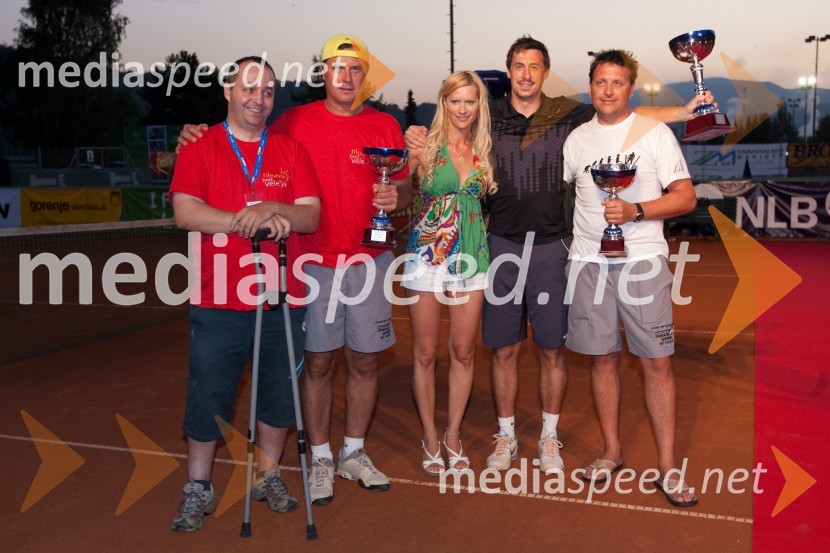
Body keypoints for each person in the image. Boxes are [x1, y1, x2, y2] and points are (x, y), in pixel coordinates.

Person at [407, 35, 714, 476]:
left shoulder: (569, 116)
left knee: (553, 349)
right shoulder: (487, 119)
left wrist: (684, 113)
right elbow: (450, 126)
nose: (526, 74)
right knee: (504, 349)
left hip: (554, 247)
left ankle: (549, 435)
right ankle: (507, 434)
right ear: (509, 70)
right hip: (499, 247)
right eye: (518, 66)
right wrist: (416, 133)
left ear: (545, 72)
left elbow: (626, 115)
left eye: (534, 66)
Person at [179, 34, 410, 505]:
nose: (346, 77)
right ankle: (321, 457)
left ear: (366, 77)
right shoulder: (290, 121)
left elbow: (405, 189)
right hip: (311, 263)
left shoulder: (386, 126)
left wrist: (396, 197)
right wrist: (194, 134)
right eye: (337, 68)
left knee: (365, 360)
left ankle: (354, 452)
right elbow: (246, 140)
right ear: (322, 72)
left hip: (370, 258)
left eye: (355, 69)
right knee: (319, 362)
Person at [169, 56, 321, 532]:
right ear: (228, 91)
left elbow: (310, 216)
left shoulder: (291, 151)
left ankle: (267, 476)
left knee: (278, 396)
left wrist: (276, 207)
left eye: (269, 90)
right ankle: (199, 485)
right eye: (250, 88)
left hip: (283, 297)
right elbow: (186, 213)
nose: (260, 99)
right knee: (209, 396)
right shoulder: (201, 146)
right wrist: (248, 220)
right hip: (218, 301)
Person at [562, 49, 698, 507]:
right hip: (588, 265)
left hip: (642, 262)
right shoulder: (576, 140)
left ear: (630, 89)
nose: (607, 90)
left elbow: (685, 198)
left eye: (617, 83)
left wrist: (637, 210)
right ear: (591, 86)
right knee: (601, 360)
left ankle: (667, 468)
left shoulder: (655, 134)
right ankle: (611, 452)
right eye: (600, 82)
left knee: (657, 363)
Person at [402, 71, 497, 475]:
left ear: (479, 106)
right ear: (443, 102)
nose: (462, 109)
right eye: (455, 101)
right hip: (427, 256)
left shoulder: (484, 149)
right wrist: (407, 161)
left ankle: (452, 433)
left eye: (470, 101)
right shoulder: (424, 145)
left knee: (462, 351)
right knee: (425, 352)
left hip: (472, 257)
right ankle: (428, 434)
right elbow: (403, 195)